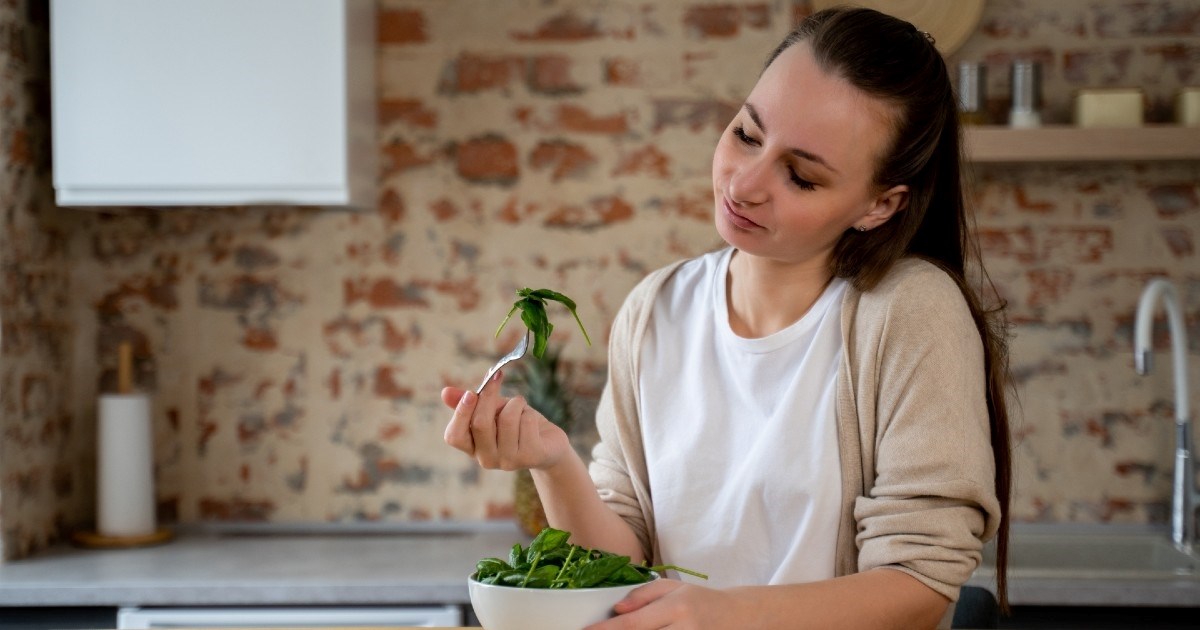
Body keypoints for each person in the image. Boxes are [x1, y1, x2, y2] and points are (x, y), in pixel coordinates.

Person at [442, 7, 1011, 629]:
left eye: (800, 175)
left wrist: (723, 614)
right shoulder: (656, 310)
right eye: (746, 134)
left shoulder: (910, 314)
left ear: (879, 204)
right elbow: (622, 564)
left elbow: (920, 584)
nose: (745, 184)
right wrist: (554, 462)